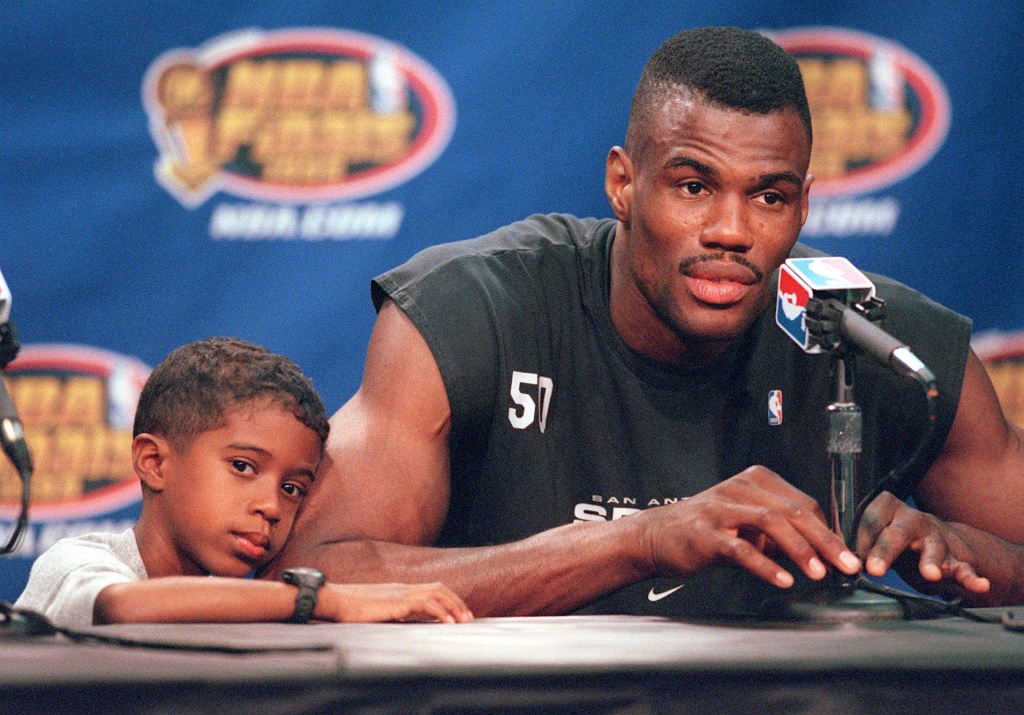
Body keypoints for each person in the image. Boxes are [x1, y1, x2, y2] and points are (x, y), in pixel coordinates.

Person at [267, 27, 1024, 618]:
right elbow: (318, 571)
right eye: (694, 185)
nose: (732, 229)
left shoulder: (874, 343)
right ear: (622, 184)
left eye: (770, 196)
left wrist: (972, 556)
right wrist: (638, 542)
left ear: (804, 201)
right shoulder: (475, 310)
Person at [14, 337, 473, 628]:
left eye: (293, 488)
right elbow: (124, 607)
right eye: (243, 467)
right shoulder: (76, 561)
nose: (272, 507)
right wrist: (324, 599)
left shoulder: (250, 609)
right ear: (154, 462)